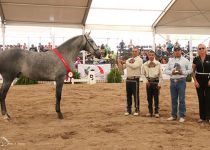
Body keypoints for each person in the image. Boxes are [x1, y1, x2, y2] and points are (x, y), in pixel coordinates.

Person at [164, 46, 191, 123]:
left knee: (182, 99)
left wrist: (183, 72)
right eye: (175, 50)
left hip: (181, 80)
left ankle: (182, 115)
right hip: (173, 81)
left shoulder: (185, 60)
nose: (177, 52)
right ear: (174, 52)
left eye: (178, 50)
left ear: (181, 51)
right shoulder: (170, 61)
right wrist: (171, 72)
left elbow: (190, 70)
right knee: (173, 99)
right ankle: (173, 115)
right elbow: (166, 70)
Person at [119, 47, 143, 116]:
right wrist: (119, 63)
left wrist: (126, 62)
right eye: (133, 51)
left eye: (135, 51)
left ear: (138, 52)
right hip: (128, 79)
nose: (134, 52)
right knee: (128, 95)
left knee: (136, 95)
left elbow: (134, 66)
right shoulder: (129, 59)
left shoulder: (139, 59)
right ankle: (128, 110)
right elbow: (122, 68)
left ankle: (137, 110)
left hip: (135, 79)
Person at [192, 44, 210, 123]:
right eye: (200, 48)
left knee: (208, 98)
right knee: (201, 98)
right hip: (199, 80)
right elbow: (192, 72)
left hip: (208, 80)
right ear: (197, 50)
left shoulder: (209, 57)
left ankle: (208, 117)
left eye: (203, 48)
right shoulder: (196, 59)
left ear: (206, 49)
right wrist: (195, 81)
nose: (201, 50)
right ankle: (202, 117)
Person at [142, 50, 163, 118]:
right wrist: (145, 81)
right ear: (148, 55)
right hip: (148, 83)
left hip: (156, 82)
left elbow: (161, 74)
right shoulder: (145, 64)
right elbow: (143, 74)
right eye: (150, 55)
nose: (151, 56)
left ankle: (156, 112)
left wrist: (160, 84)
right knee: (149, 98)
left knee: (156, 98)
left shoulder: (158, 63)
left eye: (152, 55)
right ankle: (150, 111)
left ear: (154, 56)